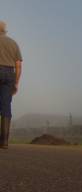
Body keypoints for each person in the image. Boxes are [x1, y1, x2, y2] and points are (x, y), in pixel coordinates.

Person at [0, 21, 22, 149]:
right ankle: (4, 142)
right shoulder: (14, 43)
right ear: (5, 31)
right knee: (6, 105)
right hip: (9, 74)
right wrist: (16, 83)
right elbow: (18, 65)